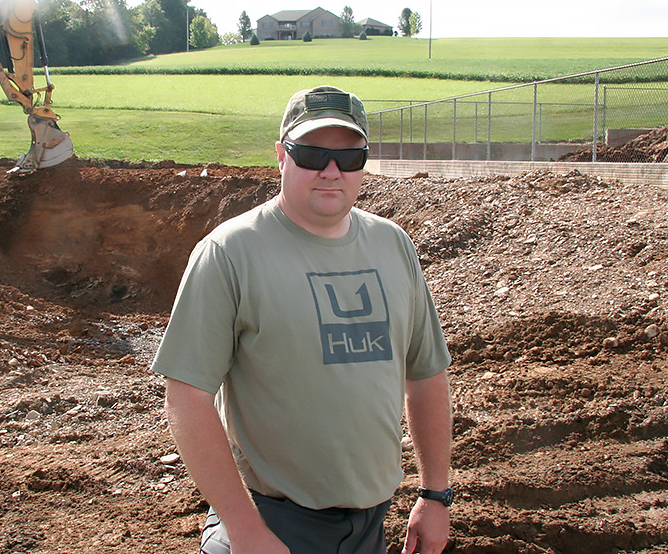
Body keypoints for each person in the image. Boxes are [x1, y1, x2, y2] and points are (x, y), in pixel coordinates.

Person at [151, 85, 453, 554]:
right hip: (272, 525)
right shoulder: (229, 254)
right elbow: (187, 397)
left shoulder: (394, 246)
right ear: (281, 156)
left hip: (371, 525)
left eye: (349, 158)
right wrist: (247, 533)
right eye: (311, 153)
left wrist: (435, 494)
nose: (331, 171)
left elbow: (427, 373)